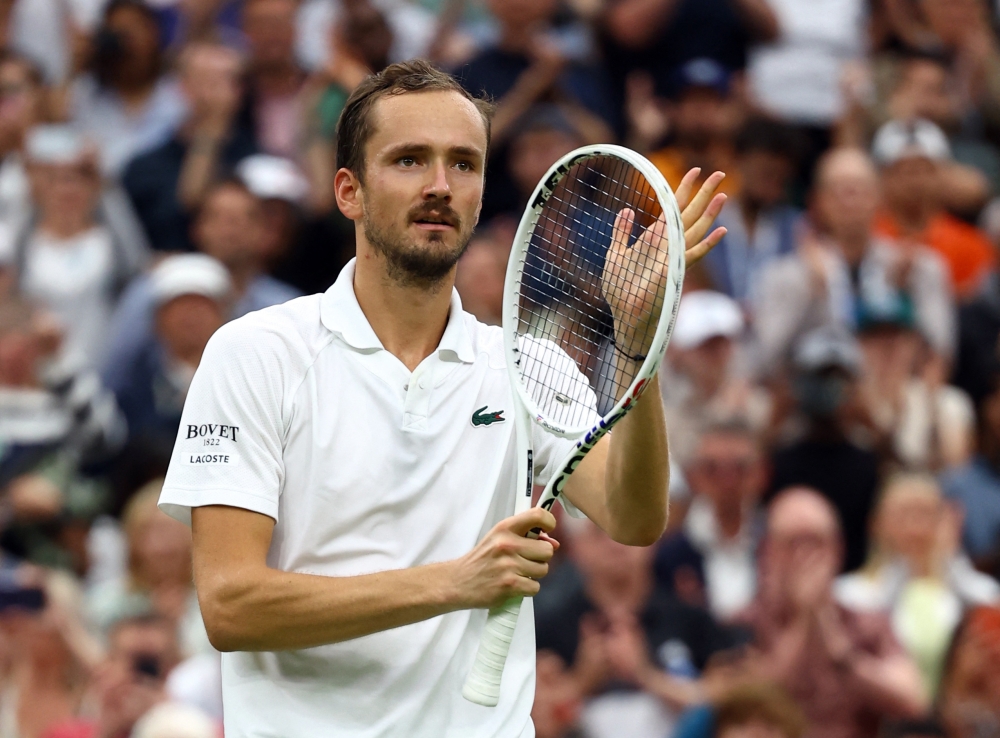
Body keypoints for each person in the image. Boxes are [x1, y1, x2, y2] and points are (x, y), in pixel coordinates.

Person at [155, 59, 727, 736]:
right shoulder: (256, 353)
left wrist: (639, 349)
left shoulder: (523, 363)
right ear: (349, 191)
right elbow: (230, 606)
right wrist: (455, 583)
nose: (439, 185)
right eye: (408, 160)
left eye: (463, 164)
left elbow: (635, 519)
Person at [732, 488, 927, 738]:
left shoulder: (869, 623)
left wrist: (840, 652)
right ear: (769, 550)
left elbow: (912, 701)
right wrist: (804, 622)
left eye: (815, 542)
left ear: (838, 549)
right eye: (792, 543)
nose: (805, 555)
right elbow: (738, 706)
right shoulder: (745, 622)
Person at [753, 147, 954, 373]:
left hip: (892, 390)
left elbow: (941, 353)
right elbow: (763, 359)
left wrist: (905, 296)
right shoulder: (787, 275)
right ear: (818, 202)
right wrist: (806, 294)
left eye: (859, 189)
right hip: (815, 395)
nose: (850, 200)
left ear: (880, 197)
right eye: (839, 191)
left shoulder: (919, 267)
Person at [534, 519, 741, 738]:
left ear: (652, 539)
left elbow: (732, 703)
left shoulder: (690, 619)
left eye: (627, 530)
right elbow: (530, 718)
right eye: (599, 532)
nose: (616, 544)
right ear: (575, 546)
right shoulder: (549, 627)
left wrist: (644, 674)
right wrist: (583, 680)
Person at [835, 473, 999, 699]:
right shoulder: (847, 594)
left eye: (926, 514)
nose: (915, 528)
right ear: (876, 524)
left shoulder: (979, 592)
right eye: (903, 515)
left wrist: (949, 560)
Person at [0, 124, 148, 373]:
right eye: (57, 182)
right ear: (41, 189)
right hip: (39, 367)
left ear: (93, 189)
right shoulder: (22, 240)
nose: (67, 190)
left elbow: (136, 261)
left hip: (103, 361)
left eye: (77, 182)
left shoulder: (111, 242)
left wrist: (104, 176)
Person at [123, 41, 257, 253]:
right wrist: (210, 131)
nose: (220, 92)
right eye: (209, 80)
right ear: (183, 87)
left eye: (230, 81)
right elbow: (188, 207)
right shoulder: (145, 168)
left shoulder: (256, 159)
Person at [768, 326, 879, 572]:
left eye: (838, 378)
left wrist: (871, 422)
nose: (829, 388)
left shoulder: (869, 462)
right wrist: (775, 419)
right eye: (819, 377)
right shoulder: (779, 460)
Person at [106, 254, 232, 457]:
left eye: (202, 306)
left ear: (223, 315)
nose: (191, 317)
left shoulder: (241, 380)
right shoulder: (133, 384)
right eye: (179, 306)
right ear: (157, 319)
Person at [656, 422, 768, 621]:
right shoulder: (669, 555)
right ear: (694, 476)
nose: (728, 482)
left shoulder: (776, 543)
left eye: (739, 469)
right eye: (712, 469)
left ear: (761, 474)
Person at [871, 119, 994, 300]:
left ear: (943, 175)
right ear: (883, 177)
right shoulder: (868, 238)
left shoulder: (972, 246)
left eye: (926, 170)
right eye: (904, 171)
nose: (916, 181)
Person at [65, 0, 186, 176]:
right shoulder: (83, 92)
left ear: (155, 34)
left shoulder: (179, 95)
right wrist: (77, 64)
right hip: (98, 195)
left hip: (158, 195)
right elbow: (52, 121)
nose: (127, 45)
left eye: (134, 32)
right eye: (117, 34)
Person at [699, 117, 802, 307]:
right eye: (766, 174)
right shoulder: (704, 224)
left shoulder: (798, 229)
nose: (773, 186)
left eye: (781, 178)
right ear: (738, 161)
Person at [661, 290, 770, 467]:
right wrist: (722, 413)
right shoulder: (669, 418)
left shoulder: (758, 405)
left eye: (723, 344)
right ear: (681, 352)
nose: (717, 355)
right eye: (705, 346)